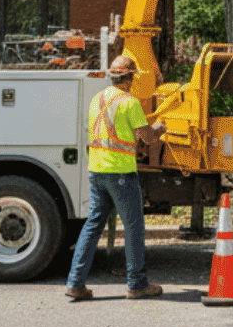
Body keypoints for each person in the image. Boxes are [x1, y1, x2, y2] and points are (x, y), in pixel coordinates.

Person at [64, 53, 167, 300]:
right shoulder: (129, 102)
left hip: (97, 171)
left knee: (92, 226)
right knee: (134, 228)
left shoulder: (96, 99)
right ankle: (137, 285)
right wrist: (160, 128)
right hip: (120, 172)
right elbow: (148, 137)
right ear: (130, 78)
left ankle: (75, 283)